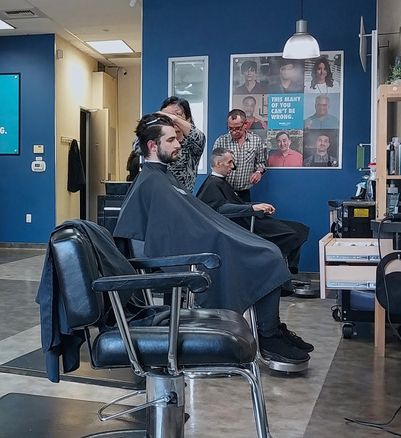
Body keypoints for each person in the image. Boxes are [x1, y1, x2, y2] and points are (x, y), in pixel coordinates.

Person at [114, 113, 313, 364]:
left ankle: (272, 328)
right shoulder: (150, 182)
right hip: (191, 252)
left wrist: (222, 233)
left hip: (205, 240)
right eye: (171, 140)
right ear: (153, 146)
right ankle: (269, 336)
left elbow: (192, 218)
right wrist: (220, 236)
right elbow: (165, 235)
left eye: (177, 139)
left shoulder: (162, 176)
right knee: (268, 255)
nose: (178, 145)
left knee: (268, 251)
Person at [197, 147, 309, 274]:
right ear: (218, 163)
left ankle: (288, 271)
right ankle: (284, 273)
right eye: (229, 162)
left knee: (298, 229)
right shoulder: (212, 184)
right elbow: (221, 208)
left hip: (246, 219)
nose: (232, 166)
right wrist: (252, 208)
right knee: (292, 233)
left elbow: (234, 203)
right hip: (241, 226)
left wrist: (258, 206)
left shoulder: (220, 182)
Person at [131, 96, 205, 192]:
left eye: (177, 114)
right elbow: (137, 147)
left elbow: (199, 138)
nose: (170, 119)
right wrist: (153, 123)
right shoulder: (157, 141)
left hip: (181, 196)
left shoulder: (191, 144)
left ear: (188, 120)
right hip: (157, 191)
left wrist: (175, 119)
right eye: (166, 115)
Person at [212, 109, 266, 201]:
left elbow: (261, 163)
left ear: (245, 124)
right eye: (230, 128)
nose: (234, 132)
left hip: (244, 192)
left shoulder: (256, 141)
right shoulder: (220, 141)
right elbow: (214, 167)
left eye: (237, 128)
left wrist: (258, 173)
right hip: (224, 191)